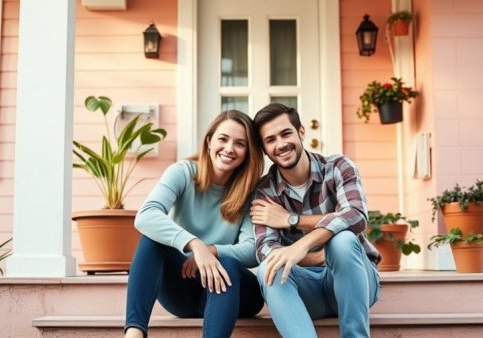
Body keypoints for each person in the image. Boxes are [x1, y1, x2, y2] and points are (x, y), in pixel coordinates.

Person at [125, 110, 265, 338]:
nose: (229, 148)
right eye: (223, 139)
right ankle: (134, 333)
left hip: (234, 294)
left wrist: (211, 251)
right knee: (151, 238)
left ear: (248, 152)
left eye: (240, 144)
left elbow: (252, 250)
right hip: (185, 290)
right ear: (209, 141)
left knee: (228, 263)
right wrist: (195, 245)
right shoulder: (182, 173)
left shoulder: (252, 191)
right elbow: (146, 215)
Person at [249, 103, 381, 338]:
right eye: (270, 140)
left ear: (301, 132)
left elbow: (356, 215)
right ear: (265, 149)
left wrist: (294, 227)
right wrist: (316, 256)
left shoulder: (338, 167)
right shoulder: (265, 191)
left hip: (356, 283)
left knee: (342, 241)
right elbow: (266, 249)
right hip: (307, 292)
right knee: (269, 268)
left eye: (286, 133)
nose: (280, 144)